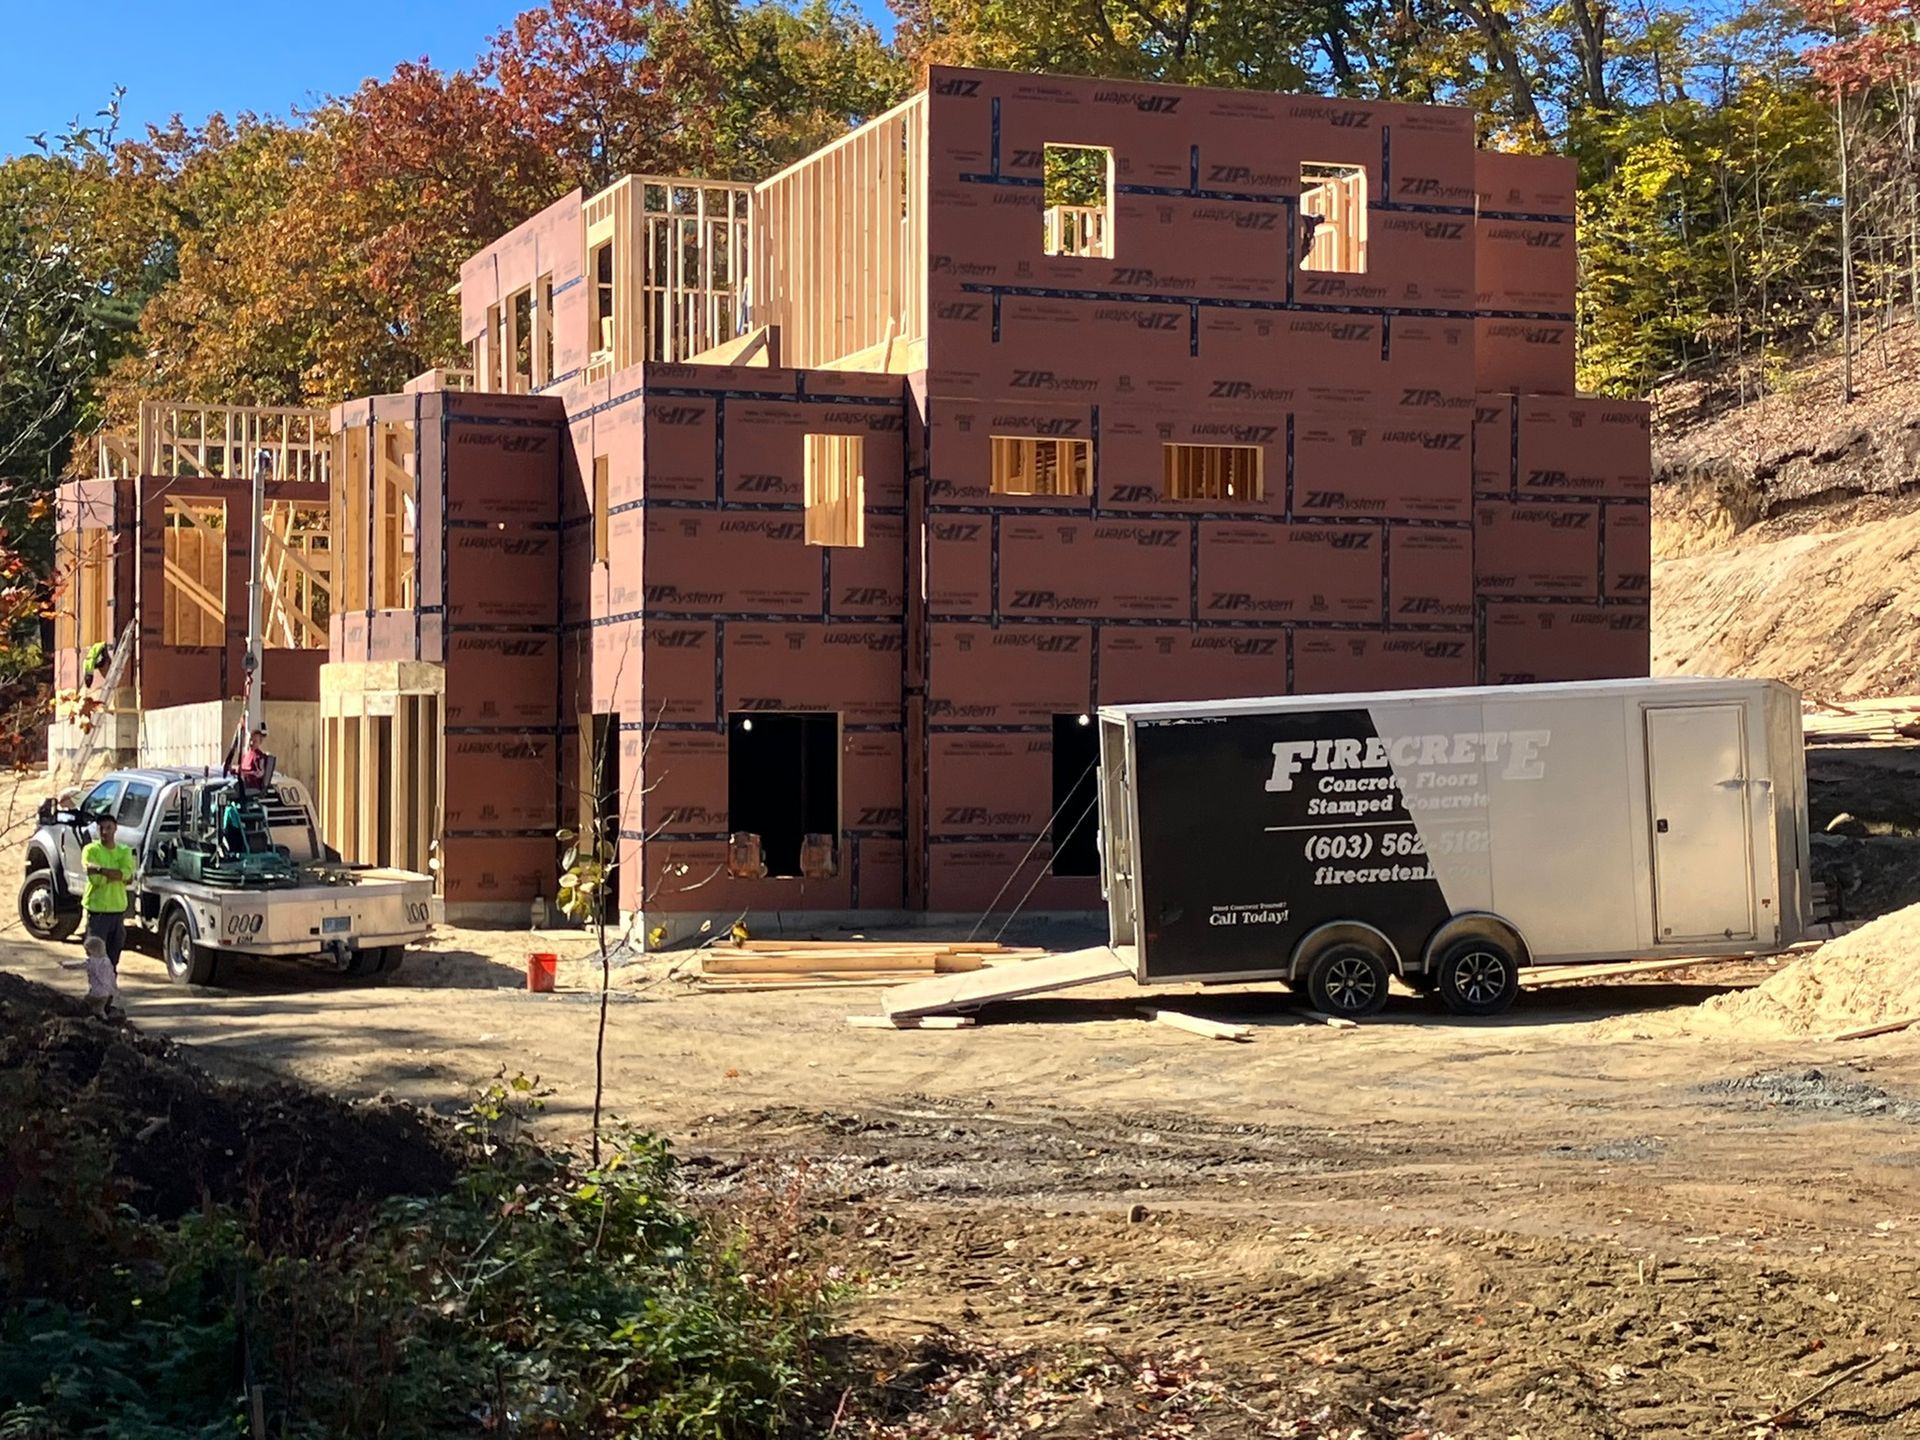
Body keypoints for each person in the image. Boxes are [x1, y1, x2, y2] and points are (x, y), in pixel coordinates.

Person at [82, 815, 135, 983]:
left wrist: (100, 869)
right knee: (97, 961)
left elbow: (128, 876)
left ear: (115, 828)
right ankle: (96, 1001)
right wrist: (116, 875)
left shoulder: (124, 851)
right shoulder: (90, 850)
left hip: (117, 914)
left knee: (112, 962)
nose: (105, 832)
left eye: (108, 828)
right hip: (97, 914)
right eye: (101, 828)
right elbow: (96, 880)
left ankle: (109, 1000)